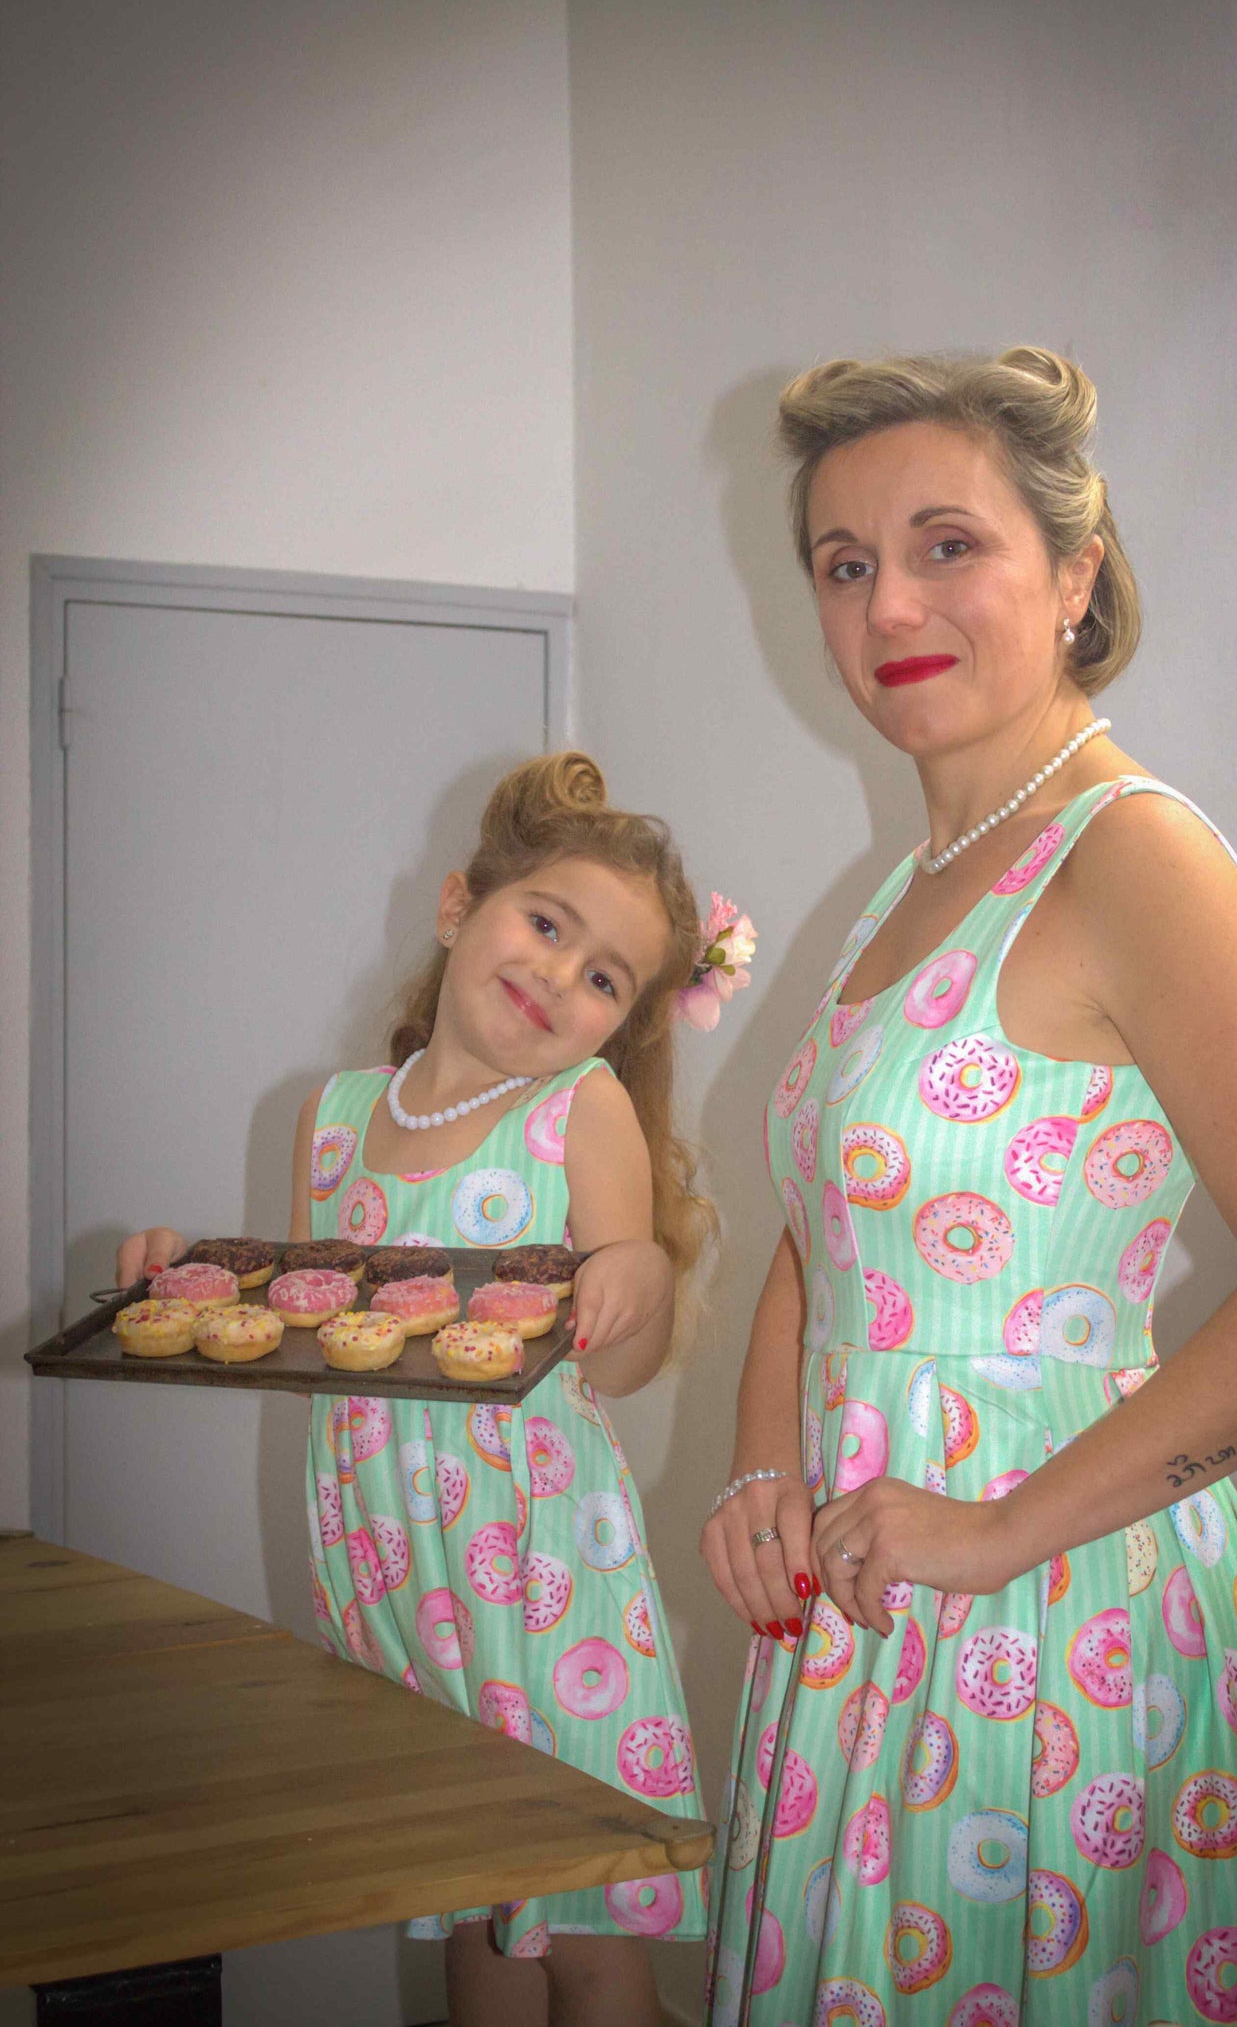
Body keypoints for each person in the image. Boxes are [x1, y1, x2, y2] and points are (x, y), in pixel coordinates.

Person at [701, 347, 1237, 2025]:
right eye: (845, 564)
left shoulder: (1128, 851)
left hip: (1046, 1614)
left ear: (1075, 578)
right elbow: (822, 1226)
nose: (890, 606)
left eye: (951, 545)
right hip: (877, 1600)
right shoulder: (920, 879)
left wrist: (1004, 1530)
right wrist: (756, 1470)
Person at [119, 751, 737, 2027]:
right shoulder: (335, 1116)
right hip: (396, 1577)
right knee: (471, 1899)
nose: (559, 974)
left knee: (576, 1913)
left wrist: (635, 1282)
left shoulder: (580, 1112)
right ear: (463, 904)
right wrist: (177, 1282)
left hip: (538, 1576)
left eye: (603, 975)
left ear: (619, 1021)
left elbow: (614, 1365)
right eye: (546, 923)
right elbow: (306, 1330)